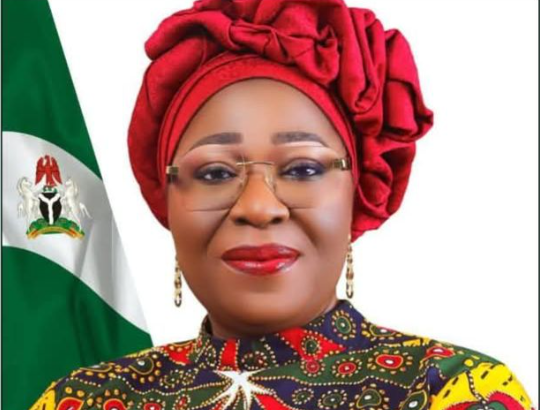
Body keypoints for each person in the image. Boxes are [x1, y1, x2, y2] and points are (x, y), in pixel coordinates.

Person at [30, 0, 535, 409]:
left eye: (303, 169)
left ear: (358, 192)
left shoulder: (451, 390)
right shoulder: (84, 399)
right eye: (215, 173)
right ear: (167, 200)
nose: (258, 206)